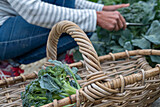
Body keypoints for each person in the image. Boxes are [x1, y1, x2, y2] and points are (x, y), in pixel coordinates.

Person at [0, 0, 129, 78]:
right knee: (82, 25)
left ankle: (10, 61)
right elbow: (32, 10)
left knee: (83, 25)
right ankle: (7, 61)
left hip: (14, 25)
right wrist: (95, 17)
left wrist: (100, 9)